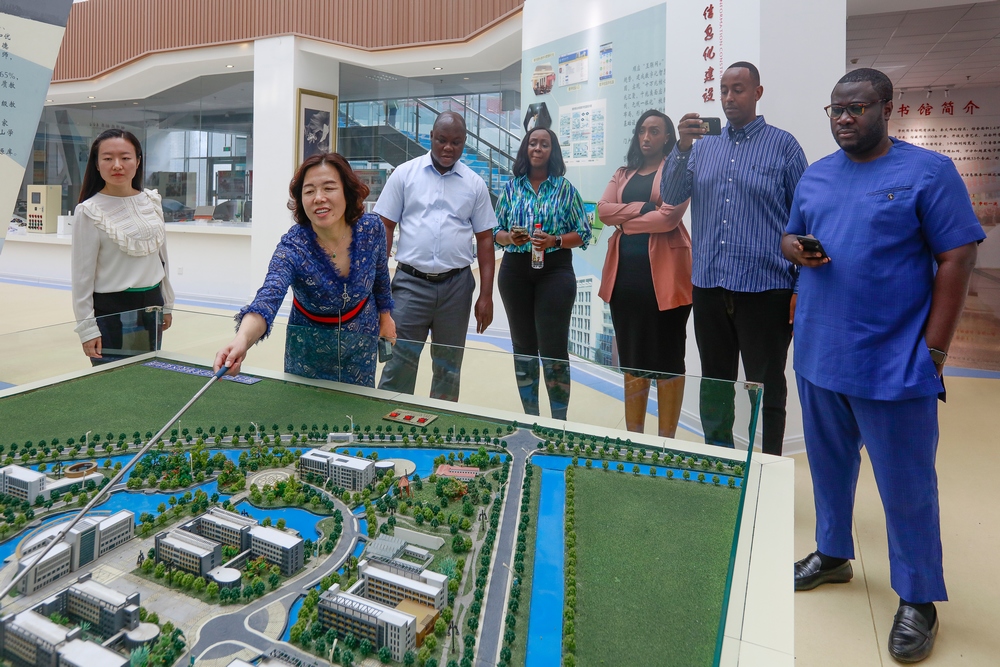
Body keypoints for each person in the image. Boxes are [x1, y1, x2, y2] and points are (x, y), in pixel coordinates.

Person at [784, 68, 984, 664]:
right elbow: (791, 236)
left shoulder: (928, 172)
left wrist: (935, 352)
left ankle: (919, 597)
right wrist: (794, 248)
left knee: (906, 486)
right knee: (828, 469)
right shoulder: (816, 175)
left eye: (858, 107)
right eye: (836, 109)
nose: (845, 118)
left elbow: (957, 256)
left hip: (893, 360)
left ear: (886, 108)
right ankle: (833, 554)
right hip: (819, 353)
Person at [661, 61, 807, 456]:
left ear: (758, 92)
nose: (728, 97)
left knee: (767, 385)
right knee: (715, 384)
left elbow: (806, 219)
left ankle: (768, 465)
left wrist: (800, 287)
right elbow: (671, 196)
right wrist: (680, 148)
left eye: (738, 89)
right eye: (724, 90)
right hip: (709, 286)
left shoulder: (784, 146)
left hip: (766, 290)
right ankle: (720, 461)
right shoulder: (702, 147)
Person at [214, 153, 395, 387]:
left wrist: (386, 317)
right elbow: (267, 298)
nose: (319, 198)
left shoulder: (372, 228)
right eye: (309, 191)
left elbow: (380, 277)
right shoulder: (293, 247)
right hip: (307, 349)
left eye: (329, 188)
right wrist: (241, 340)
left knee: (357, 406)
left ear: (347, 192)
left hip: (362, 340)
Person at [374, 111, 496, 402]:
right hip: (410, 284)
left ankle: (440, 424)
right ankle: (385, 422)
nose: (448, 148)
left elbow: (485, 240)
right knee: (398, 363)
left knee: (448, 370)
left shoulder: (474, 184)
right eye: (442, 140)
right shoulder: (404, 174)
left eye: (456, 142)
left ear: (464, 142)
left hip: (456, 287)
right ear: (431, 137)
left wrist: (486, 295)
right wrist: (378, 285)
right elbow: (385, 227)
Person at [598, 110, 691, 437]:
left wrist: (625, 222)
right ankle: (634, 439)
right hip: (625, 282)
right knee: (633, 360)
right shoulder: (622, 174)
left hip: (666, 282)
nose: (646, 137)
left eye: (654, 131)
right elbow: (603, 211)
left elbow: (668, 218)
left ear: (667, 138)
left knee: (668, 361)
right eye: (642, 130)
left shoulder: (676, 171)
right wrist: (643, 208)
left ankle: (667, 444)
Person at [494, 128, 591, 420]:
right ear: (525, 148)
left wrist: (555, 240)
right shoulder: (511, 188)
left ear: (552, 151)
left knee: (553, 348)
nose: (538, 148)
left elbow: (584, 233)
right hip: (515, 271)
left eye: (544, 144)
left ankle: (559, 422)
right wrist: (510, 238)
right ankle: (531, 419)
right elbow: (495, 231)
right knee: (523, 346)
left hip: (555, 271)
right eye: (533, 143)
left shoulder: (565, 189)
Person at [72, 129, 174, 365]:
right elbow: (81, 277)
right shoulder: (89, 211)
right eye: (108, 158)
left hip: (152, 303)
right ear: (97, 164)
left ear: (137, 161)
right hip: (110, 310)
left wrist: (167, 303)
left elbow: (162, 259)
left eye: (125, 157)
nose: (117, 165)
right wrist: (87, 329)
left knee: (148, 373)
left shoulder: (152, 201)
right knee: (113, 379)